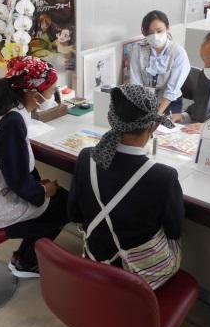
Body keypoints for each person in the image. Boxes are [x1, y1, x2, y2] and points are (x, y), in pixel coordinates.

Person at [0, 56, 69, 278]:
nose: (53, 95)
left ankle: (25, 257)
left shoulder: (6, 108)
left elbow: (16, 169)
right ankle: (25, 262)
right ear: (33, 93)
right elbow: (18, 181)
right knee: (65, 203)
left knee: (52, 195)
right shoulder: (12, 123)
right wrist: (44, 191)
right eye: (52, 89)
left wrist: (38, 186)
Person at [68, 84, 185, 289]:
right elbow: (174, 231)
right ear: (153, 127)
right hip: (138, 277)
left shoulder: (87, 157)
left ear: (111, 120)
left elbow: (74, 214)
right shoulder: (164, 176)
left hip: (95, 258)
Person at [129, 10, 191, 114]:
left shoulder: (178, 52)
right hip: (144, 101)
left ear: (167, 28)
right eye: (150, 32)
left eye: (159, 31)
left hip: (170, 102)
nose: (155, 36)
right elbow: (136, 84)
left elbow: (172, 89)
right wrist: (141, 108)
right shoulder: (138, 50)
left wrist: (157, 114)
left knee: (161, 128)